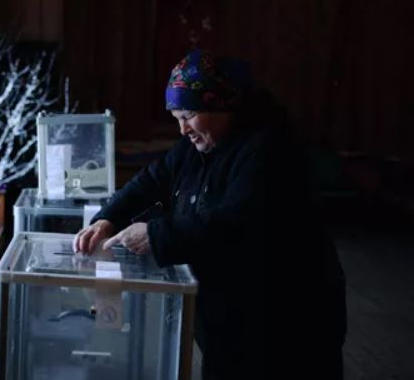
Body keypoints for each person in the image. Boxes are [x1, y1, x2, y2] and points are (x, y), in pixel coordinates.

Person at [73, 50, 346, 380]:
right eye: (176, 117)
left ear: (221, 105)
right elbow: (152, 180)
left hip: (286, 317)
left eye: (188, 115)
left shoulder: (268, 150)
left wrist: (155, 235)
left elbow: (238, 224)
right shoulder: (199, 144)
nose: (182, 129)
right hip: (231, 318)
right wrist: (109, 218)